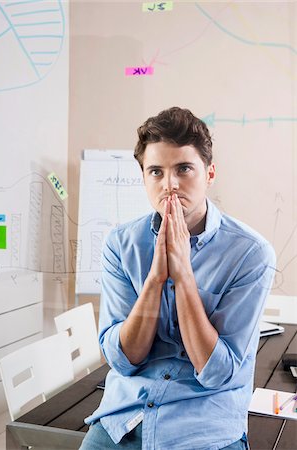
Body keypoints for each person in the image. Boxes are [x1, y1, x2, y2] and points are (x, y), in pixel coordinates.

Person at [79, 107, 276, 450]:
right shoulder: (121, 245)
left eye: (184, 169)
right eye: (156, 171)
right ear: (143, 178)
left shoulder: (250, 253)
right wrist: (155, 280)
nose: (169, 184)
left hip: (203, 425)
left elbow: (217, 371)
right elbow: (123, 359)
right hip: (123, 418)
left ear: (209, 173)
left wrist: (183, 275)